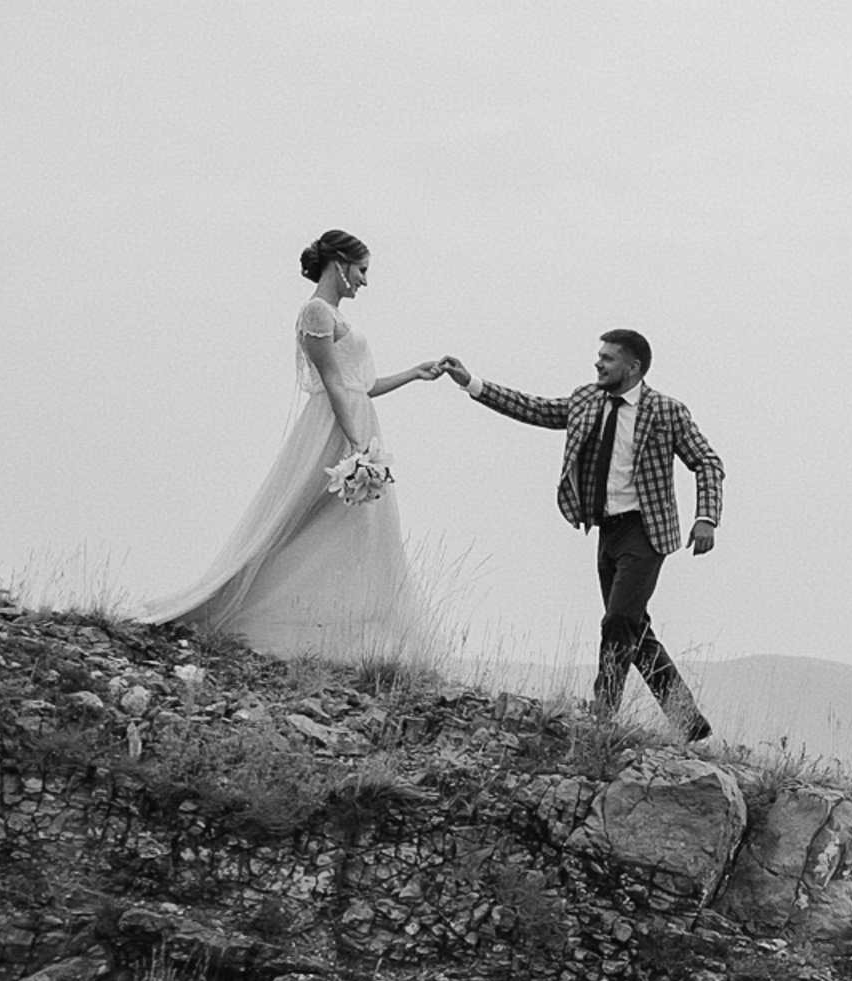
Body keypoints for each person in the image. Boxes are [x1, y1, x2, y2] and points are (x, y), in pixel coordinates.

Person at [141, 230, 447, 663]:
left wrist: (415, 373)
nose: (365, 281)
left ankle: (346, 638)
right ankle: (254, 613)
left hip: (357, 420)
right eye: (362, 271)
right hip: (335, 428)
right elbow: (334, 383)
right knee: (304, 519)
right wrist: (357, 444)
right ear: (339, 264)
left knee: (363, 529)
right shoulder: (316, 314)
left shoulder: (335, 317)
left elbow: (362, 385)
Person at [438, 332, 724, 740]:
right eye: (599, 356)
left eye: (607, 358)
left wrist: (707, 518)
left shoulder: (666, 411)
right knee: (634, 629)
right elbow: (535, 410)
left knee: (618, 620)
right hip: (606, 530)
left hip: (646, 531)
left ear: (633, 368)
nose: (598, 364)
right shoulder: (587, 400)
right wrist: (471, 382)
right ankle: (689, 723)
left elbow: (707, 462)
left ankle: (602, 715)